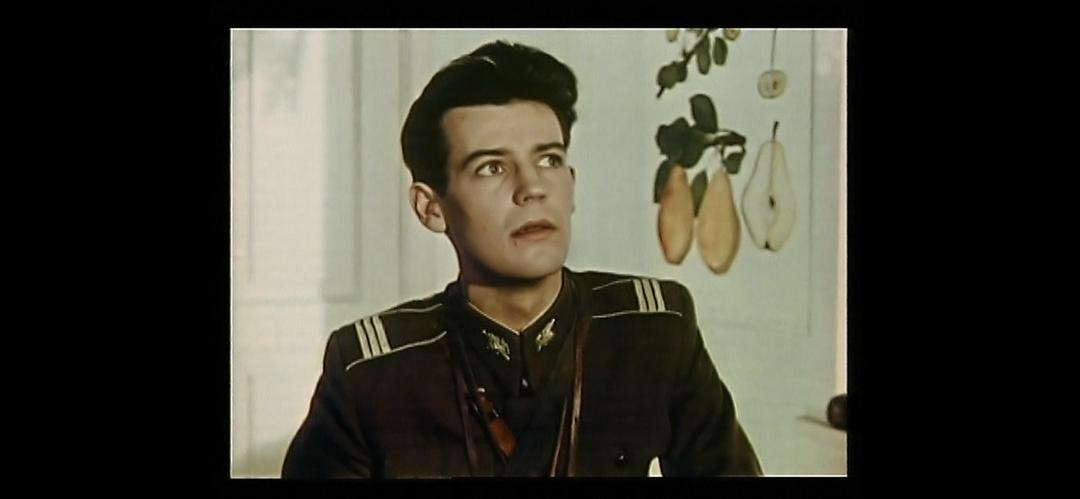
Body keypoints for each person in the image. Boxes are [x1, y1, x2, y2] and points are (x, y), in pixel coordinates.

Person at [281, 39, 762, 478]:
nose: (533, 188)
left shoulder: (653, 332)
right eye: (492, 167)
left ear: (571, 183)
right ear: (431, 208)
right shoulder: (373, 373)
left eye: (549, 160)